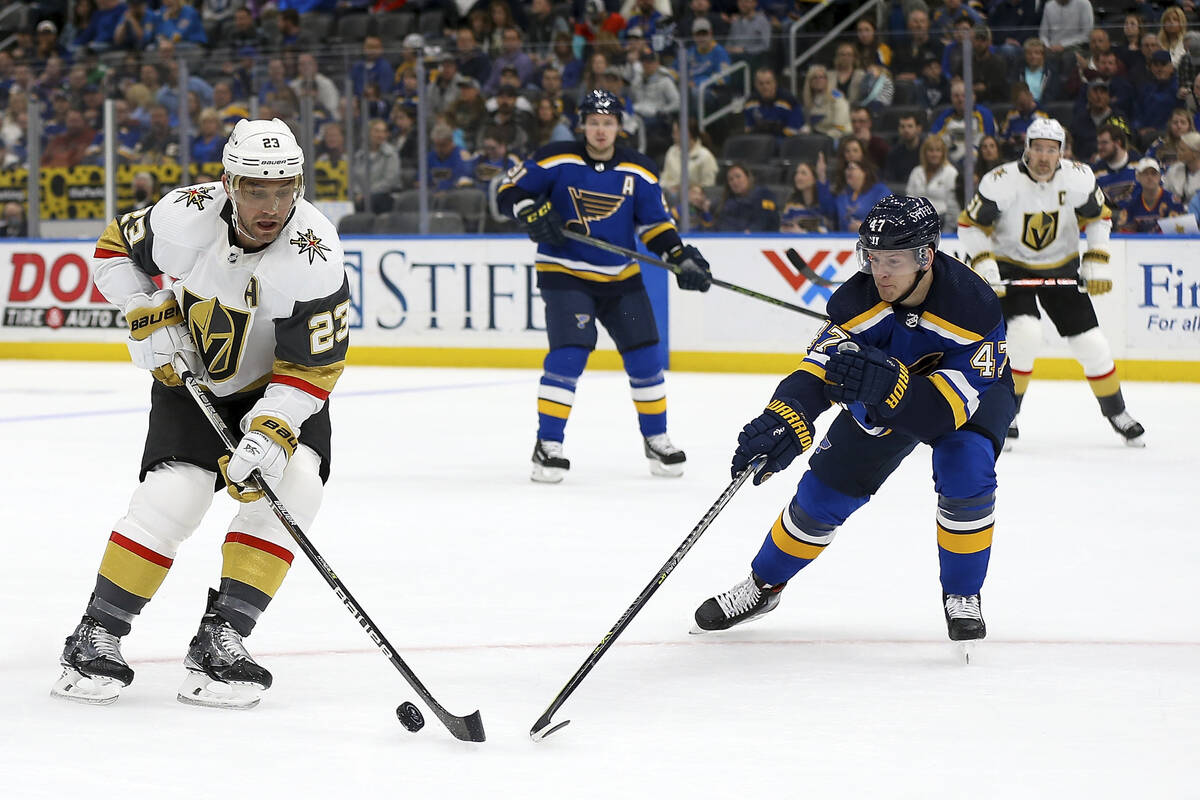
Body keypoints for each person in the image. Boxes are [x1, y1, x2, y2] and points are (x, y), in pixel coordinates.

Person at [51, 118, 350, 708]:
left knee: (294, 487)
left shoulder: (314, 252)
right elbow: (113, 248)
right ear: (229, 183)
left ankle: (223, 639)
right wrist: (144, 304)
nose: (273, 205)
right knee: (176, 495)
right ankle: (97, 633)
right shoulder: (184, 215)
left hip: (280, 384)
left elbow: (313, 367)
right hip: (194, 380)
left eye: (286, 188)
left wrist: (274, 429)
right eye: (257, 189)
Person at [692, 195, 1015, 647]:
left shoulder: (973, 306)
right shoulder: (855, 300)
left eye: (894, 261)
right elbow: (818, 368)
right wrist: (785, 416)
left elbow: (943, 416)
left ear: (926, 256)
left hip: (969, 396)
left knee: (966, 465)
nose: (880, 272)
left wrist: (888, 385)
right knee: (821, 495)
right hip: (884, 394)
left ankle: (963, 593)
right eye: (873, 257)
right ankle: (764, 586)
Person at [496, 89, 713, 482]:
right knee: (570, 354)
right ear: (582, 124)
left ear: (619, 125)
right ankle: (548, 445)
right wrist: (527, 209)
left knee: (646, 356)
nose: (600, 130)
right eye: (593, 122)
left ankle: (657, 439)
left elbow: (654, 224)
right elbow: (507, 190)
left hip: (621, 279)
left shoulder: (640, 170)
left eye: (608, 123)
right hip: (565, 274)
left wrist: (679, 256)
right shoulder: (556, 157)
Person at [958, 117, 1145, 449]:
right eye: (1038, 148)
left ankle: (1117, 411)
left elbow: (1099, 217)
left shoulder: (1079, 177)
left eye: (1052, 150)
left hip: (1062, 267)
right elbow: (970, 224)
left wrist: (1096, 260)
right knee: (1024, 336)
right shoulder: (1001, 180)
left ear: (1062, 152)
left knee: (1092, 344)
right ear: (1027, 149)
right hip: (1013, 268)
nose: (1044, 157)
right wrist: (985, 262)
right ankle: (1007, 414)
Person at [906, 133, 960, 230]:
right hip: (917, 222)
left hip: (942, 222)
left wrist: (949, 229)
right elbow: (909, 199)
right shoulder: (916, 172)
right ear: (925, 153)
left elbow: (953, 205)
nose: (934, 154)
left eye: (938, 150)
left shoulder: (950, 172)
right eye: (931, 150)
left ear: (943, 153)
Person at [1117, 158, 1185, 233]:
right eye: (1145, 173)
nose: (1149, 177)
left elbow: (1181, 232)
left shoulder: (1172, 201)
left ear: (1159, 176)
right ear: (1137, 177)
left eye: (1153, 173)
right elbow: (1125, 235)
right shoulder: (1131, 203)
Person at [717, 163, 780, 232]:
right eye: (730, 179)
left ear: (748, 177)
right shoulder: (729, 203)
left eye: (738, 176)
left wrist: (751, 232)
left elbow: (766, 218)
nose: (735, 181)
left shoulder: (765, 195)